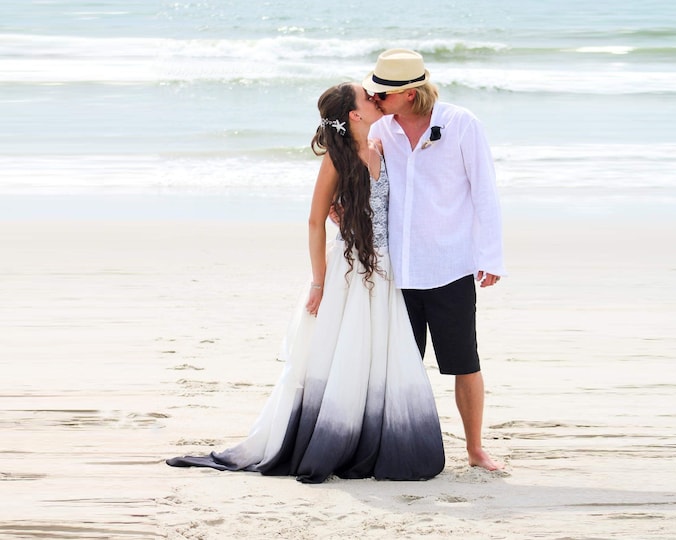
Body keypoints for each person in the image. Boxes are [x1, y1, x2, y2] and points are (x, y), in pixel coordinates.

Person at [166, 82, 445, 483]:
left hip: (384, 271)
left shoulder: (382, 148)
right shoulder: (336, 159)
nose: (375, 98)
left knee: (377, 358)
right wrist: (318, 282)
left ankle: (374, 439)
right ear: (354, 115)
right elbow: (315, 220)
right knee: (342, 355)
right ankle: (333, 438)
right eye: (367, 96)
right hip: (349, 269)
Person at [362, 49, 506, 471]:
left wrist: (491, 255)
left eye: (381, 94)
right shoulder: (381, 129)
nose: (374, 99)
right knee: (400, 369)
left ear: (407, 93)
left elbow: (485, 191)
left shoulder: (462, 124)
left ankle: (476, 450)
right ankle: (397, 446)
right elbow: (366, 180)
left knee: (464, 363)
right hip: (398, 272)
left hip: (450, 267)